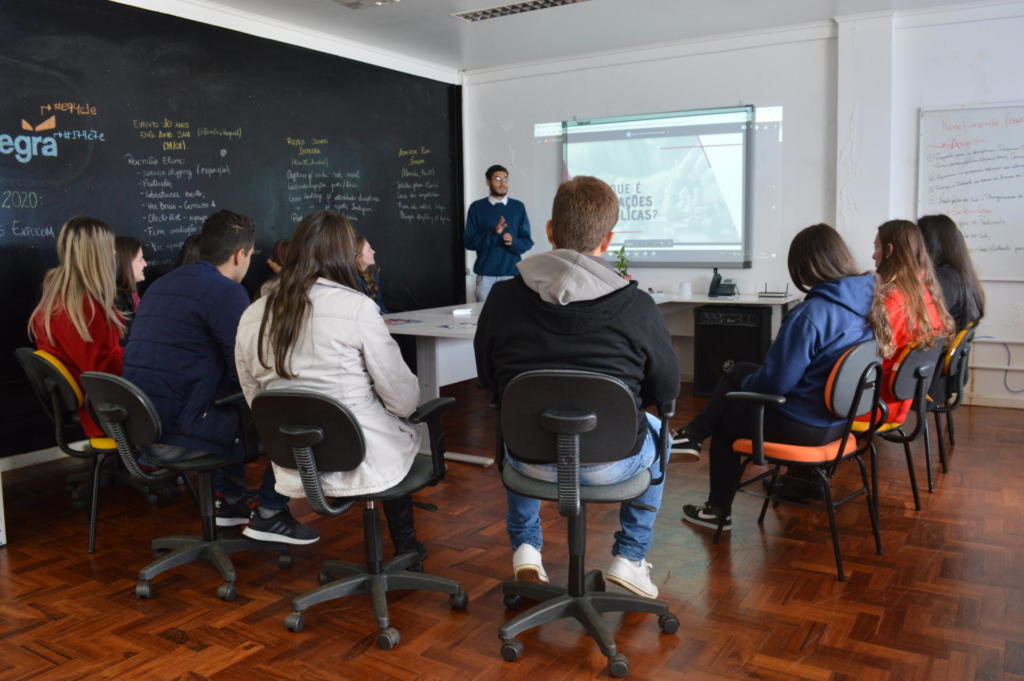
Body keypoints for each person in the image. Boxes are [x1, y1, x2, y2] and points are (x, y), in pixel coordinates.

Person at [475, 176, 677, 599]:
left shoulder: (502, 299)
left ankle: (526, 549)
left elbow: (490, 380)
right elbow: (667, 391)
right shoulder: (638, 306)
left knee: (519, 416)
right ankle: (630, 557)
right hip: (612, 460)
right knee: (662, 432)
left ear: (550, 231)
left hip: (528, 459)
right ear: (608, 240)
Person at [236, 211, 425, 560]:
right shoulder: (358, 309)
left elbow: (255, 398)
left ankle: (406, 550)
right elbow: (403, 399)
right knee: (400, 428)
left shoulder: (252, 314)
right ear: (343, 256)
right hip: (360, 457)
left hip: (295, 459)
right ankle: (408, 548)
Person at [123, 210, 318, 545]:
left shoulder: (161, 284)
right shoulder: (226, 291)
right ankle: (270, 512)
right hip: (182, 430)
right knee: (295, 415)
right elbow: (245, 366)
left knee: (230, 398)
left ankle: (229, 500)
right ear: (240, 254)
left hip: (145, 426)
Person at [678, 224, 885, 530]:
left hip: (805, 428)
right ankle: (691, 435)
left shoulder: (811, 314)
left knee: (725, 422)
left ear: (804, 267)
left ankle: (717, 510)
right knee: (741, 370)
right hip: (840, 423)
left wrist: (746, 388)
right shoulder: (867, 304)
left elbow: (775, 384)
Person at [29, 216, 125, 438]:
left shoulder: (56, 298)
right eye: (110, 247)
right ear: (98, 254)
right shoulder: (85, 309)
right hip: (106, 412)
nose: (114, 253)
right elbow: (104, 374)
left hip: (95, 405)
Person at [867, 219, 953, 425]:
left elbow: (864, 356)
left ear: (889, 250)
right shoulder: (928, 293)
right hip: (901, 401)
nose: (873, 255)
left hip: (874, 405)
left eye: (876, 248)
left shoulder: (891, 300)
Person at [464, 164, 533, 302]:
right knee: (484, 314)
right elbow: (469, 242)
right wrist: (494, 234)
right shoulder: (477, 208)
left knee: (512, 314)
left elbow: (527, 241)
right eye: (497, 179)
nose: (502, 183)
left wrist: (513, 242)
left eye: (505, 179)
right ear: (488, 182)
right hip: (486, 276)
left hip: (512, 275)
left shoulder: (518, 207)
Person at [918, 214, 984, 330]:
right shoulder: (959, 273)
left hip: (941, 339)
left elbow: (922, 319)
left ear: (928, 243)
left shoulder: (945, 278)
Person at [114, 236, 147, 331]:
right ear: (127, 263)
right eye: (140, 259)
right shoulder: (118, 301)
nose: (145, 264)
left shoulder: (131, 294)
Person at [354, 235, 387, 313]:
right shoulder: (354, 279)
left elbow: (380, 305)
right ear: (358, 256)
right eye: (369, 250)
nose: (373, 252)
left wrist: (388, 317)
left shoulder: (373, 272)